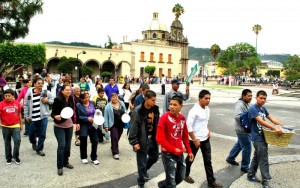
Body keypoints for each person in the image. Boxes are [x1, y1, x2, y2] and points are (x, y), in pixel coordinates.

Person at [184, 90, 223, 188]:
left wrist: (208, 131)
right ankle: (184, 174)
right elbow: (188, 127)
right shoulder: (194, 110)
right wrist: (195, 139)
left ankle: (211, 181)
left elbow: (205, 122)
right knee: (190, 158)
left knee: (208, 160)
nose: (208, 100)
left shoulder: (207, 109)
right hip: (194, 140)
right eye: (206, 98)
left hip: (205, 138)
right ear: (200, 98)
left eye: (209, 98)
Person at [247, 90, 284, 188]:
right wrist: (274, 128)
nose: (263, 100)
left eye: (264, 98)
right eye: (261, 98)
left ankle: (250, 174)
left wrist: (283, 126)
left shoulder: (263, 108)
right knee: (263, 159)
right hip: (257, 137)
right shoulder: (253, 108)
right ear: (256, 98)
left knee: (257, 156)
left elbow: (272, 119)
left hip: (263, 136)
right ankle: (265, 181)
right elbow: (260, 121)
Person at [156, 96, 194, 188]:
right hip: (168, 154)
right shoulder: (164, 118)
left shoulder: (182, 118)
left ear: (181, 106)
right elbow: (159, 138)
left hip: (179, 153)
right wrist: (173, 149)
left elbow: (185, 135)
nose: (172, 107)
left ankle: (162, 185)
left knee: (181, 176)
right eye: (170, 104)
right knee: (172, 183)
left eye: (175, 105)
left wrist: (189, 151)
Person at [128, 90, 160, 188]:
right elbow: (133, 127)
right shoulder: (138, 111)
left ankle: (144, 171)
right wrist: (134, 142)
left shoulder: (155, 109)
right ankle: (141, 183)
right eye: (152, 100)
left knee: (154, 157)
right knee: (141, 163)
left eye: (155, 100)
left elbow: (157, 123)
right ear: (146, 99)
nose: (154, 102)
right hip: (142, 140)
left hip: (153, 139)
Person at [51, 85, 80, 175]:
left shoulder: (72, 99)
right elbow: (53, 113)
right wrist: (56, 116)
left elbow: (74, 111)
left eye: (69, 90)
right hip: (59, 126)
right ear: (62, 91)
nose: (68, 91)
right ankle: (59, 166)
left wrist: (77, 122)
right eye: (66, 90)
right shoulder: (58, 100)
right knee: (62, 145)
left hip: (69, 126)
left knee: (68, 146)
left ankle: (65, 162)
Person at [24, 77, 53, 156]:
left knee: (42, 134)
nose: (40, 85)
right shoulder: (29, 93)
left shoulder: (46, 92)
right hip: (32, 118)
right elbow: (26, 105)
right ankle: (33, 142)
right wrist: (26, 116)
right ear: (34, 84)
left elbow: (53, 100)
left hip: (43, 117)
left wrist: (48, 101)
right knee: (31, 134)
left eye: (41, 83)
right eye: (38, 83)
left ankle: (39, 149)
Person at [226, 89, 252, 173]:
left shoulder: (247, 104)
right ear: (243, 96)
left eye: (251, 96)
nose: (250, 97)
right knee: (247, 147)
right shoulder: (240, 105)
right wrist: (247, 121)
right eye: (248, 96)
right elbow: (237, 116)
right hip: (242, 130)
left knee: (239, 145)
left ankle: (230, 158)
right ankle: (245, 166)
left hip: (243, 129)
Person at [0, 89, 23, 165]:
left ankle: (16, 156)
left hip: (15, 125)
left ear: (13, 96)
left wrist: (21, 124)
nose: (7, 97)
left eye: (9, 96)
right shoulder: (1, 104)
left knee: (17, 141)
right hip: (5, 126)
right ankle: (8, 157)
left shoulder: (17, 103)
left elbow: (19, 113)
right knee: (7, 142)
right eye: (5, 96)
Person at [76, 92, 99, 165]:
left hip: (93, 125)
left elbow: (95, 111)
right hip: (84, 125)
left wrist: (97, 114)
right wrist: (87, 118)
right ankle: (83, 157)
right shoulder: (78, 105)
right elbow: (77, 116)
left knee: (95, 141)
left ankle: (94, 157)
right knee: (83, 141)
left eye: (88, 97)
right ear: (81, 99)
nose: (87, 99)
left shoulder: (92, 103)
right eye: (85, 98)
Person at [103, 93, 127, 160]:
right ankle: (115, 152)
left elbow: (125, 110)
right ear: (111, 98)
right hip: (113, 124)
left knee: (118, 136)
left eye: (116, 97)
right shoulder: (108, 106)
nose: (115, 98)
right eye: (113, 97)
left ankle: (113, 146)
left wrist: (126, 115)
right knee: (115, 137)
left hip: (121, 123)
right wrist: (106, 126)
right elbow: (106, 117)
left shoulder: (121, 103)